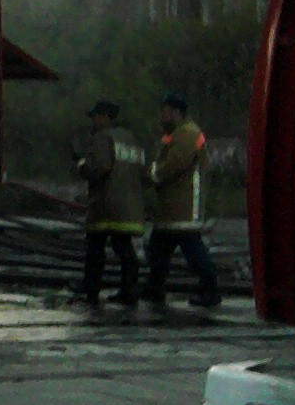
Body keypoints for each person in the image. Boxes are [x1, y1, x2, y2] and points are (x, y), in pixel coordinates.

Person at [143, 91, 221, 307]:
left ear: (176, 112)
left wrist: (150, 175)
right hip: (171, 206)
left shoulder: (188, 134)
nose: (162, 116)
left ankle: (211, 290)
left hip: (183, 205)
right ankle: (154, 287)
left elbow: (173, 164)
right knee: (158, 248)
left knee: (193, 250)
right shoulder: (177, 133)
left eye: (165, 112)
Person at [75, 99, 146, 305]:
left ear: (105, 117)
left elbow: (101, 167)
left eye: (96, 116)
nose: (93, 121)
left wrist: (82, 166)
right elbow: (141, 170)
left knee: (95, 246)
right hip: (130, 204)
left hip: (106, 204)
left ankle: (91, 288)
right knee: (124, 247)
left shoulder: (102, 138)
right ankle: (129, 289)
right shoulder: (131, 139)